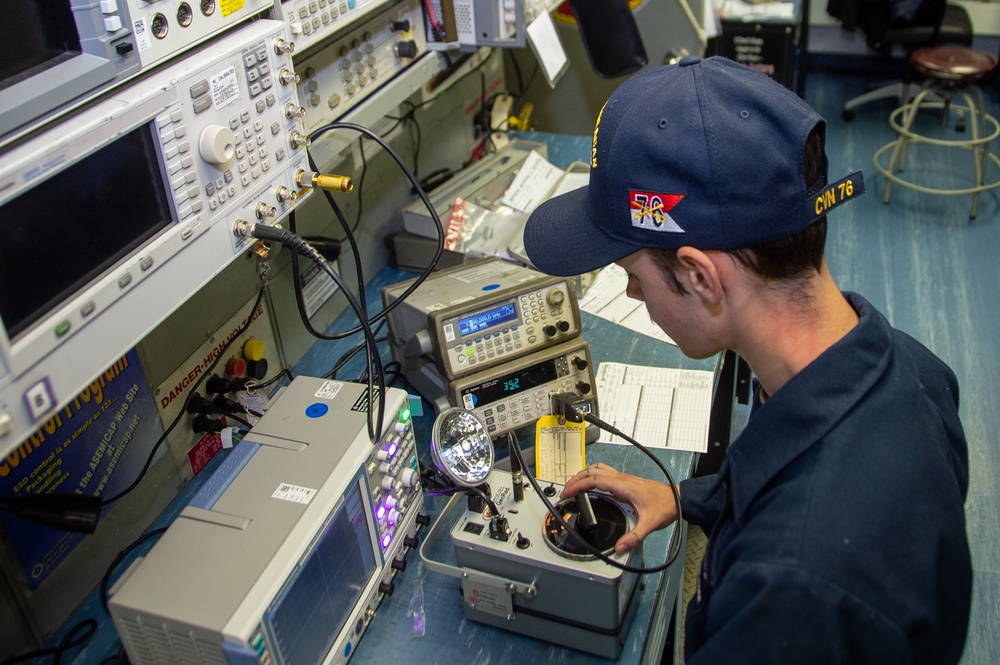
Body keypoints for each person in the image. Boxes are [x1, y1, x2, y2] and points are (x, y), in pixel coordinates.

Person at [523, 56, 971, 664]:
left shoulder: (787, 591)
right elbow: (783, 467)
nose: (633, 295)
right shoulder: (910, 369)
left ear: (702, 277)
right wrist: (688, 497)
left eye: (632, 274)